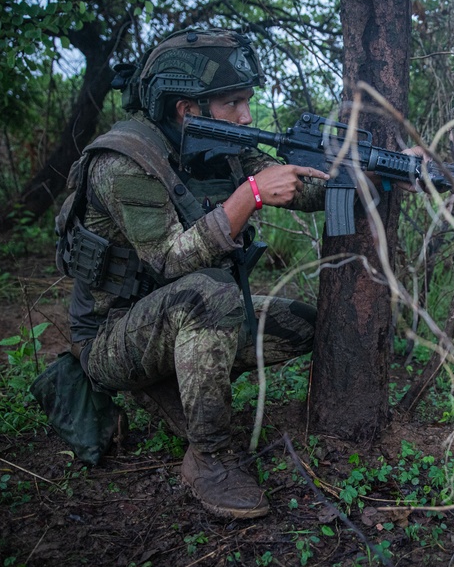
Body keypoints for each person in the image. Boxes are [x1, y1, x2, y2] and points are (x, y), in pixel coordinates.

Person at [57, 27, 347, 519]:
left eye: (247, 100)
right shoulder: (121, 162)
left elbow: (298, 189)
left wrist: (368, 172)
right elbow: (170, 260)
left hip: (178, 317)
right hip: (111, 337)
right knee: (209, 295)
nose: (247, 115)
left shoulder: (221, 144)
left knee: (307, 324)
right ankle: (209, 459)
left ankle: (175, 381)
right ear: (186, 109)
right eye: (234, 102)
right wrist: (248, 197)